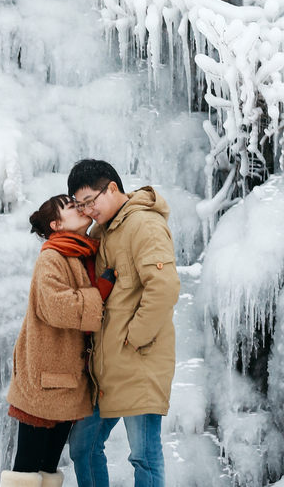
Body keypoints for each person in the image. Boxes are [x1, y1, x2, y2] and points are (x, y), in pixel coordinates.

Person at [65, 160, 180, 487]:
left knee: (144, 456)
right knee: (83, 447)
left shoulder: (144, 224)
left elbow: (164, 286)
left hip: (138, 363)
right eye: (80, 205)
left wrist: (135, 338)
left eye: (90, 201)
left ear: (112, 188)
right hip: (108, 366)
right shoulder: (104, 231)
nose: (87, 210)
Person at [3, 194, 115, 487]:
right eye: (71, 207)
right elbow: (55, 306)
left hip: (66, 382)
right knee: (27, 468)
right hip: (44, 382)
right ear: (56, 224)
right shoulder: (52, 257)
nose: (80, 208)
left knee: (48, 466)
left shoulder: (80, 254)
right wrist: (98, 293)